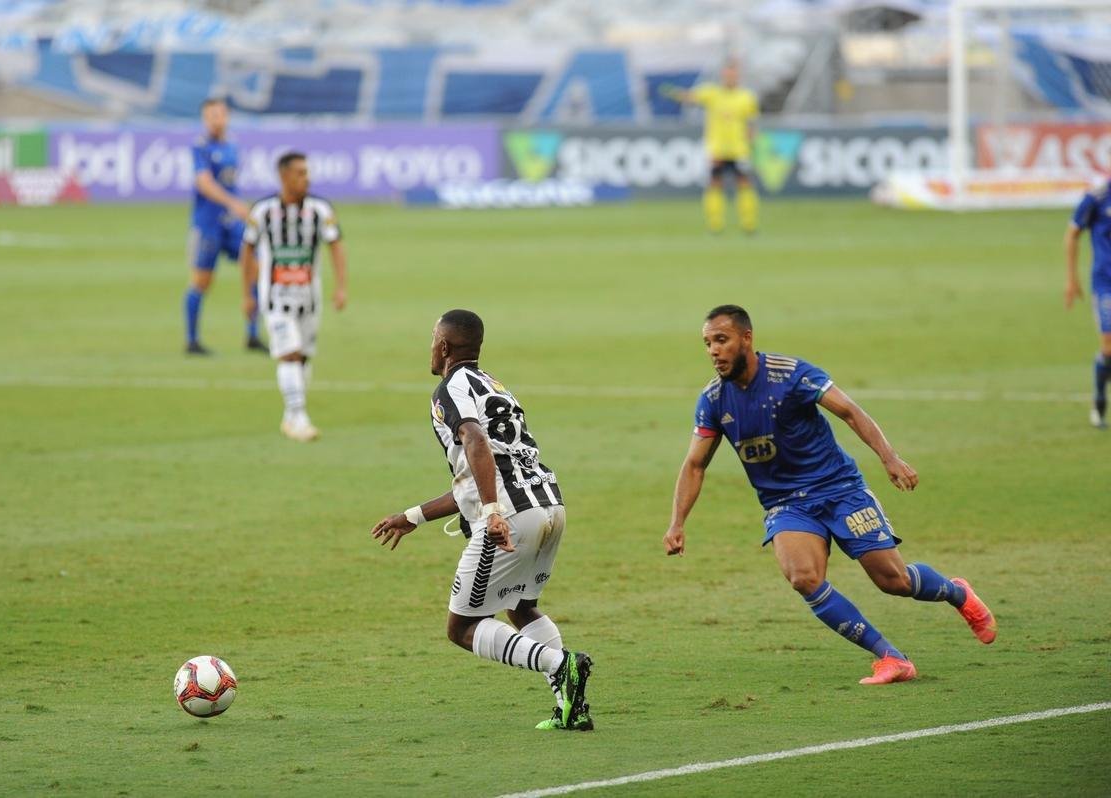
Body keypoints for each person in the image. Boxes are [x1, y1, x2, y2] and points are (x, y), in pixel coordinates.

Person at [662, 305, 997, 685]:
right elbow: (695, 465)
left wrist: (890, 459)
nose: (713, 351)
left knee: (893, 581)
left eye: (721, 340)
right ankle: (890, 657)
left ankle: (957, 593)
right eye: (707, 343)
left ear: (746, 338)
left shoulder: (791, 375)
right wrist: (677, 523)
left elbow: (850, 411)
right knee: (803, 577)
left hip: (839, 488)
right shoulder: (713, 400)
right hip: (786, 504)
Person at [370, 310, 594, 730]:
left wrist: (492, 513)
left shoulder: (448, 391)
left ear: (443, 346)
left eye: (433, 338)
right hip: (550, 507)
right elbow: (479, 473)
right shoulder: (495, 385)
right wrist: (414, 516)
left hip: (510, 517)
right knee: (522, 606)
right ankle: (571, 708)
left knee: (462, 627)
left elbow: (475, 443)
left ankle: (560, 664)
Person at [240, 152, 348, 442]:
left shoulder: (321, 210)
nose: (306, 178)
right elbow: (247, 251)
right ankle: (299, 415)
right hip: (275, 298)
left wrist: (341, 287)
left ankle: (290, 417)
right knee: (288, 353)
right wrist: (246, 294)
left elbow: (336, 245)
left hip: (310, 298)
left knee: (302, 356)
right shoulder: (262, 211)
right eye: (300, 173)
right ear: (284, 176)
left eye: (307, 172)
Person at [183, 97, 263, 355]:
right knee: (202, 282)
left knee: (255, 267)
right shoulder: (201, 148)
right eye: (211, 116)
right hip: (207, 224)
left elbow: (230, 183)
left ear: (227, 116)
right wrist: (234, 203)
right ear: (205, 120)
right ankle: (192, 340)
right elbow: (204, 184)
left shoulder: (232, 146)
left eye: (220, 115)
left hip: (232, 223)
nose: (216, 120)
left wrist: (239, 208)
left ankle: (252, 334)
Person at [661, 61, 760, 234]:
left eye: (734, 74)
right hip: (718, 149)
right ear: (723, 75)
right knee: (715, 185)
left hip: (739, 149)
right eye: (728, 74)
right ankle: (715, 225)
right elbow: (689, 97)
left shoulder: (746, 97)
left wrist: (752, 141)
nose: (731, 77)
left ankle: (749, 224)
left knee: (744, 185)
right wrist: (672, 92)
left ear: (738, 76)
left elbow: (751, 123)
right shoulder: (712, 93)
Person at [1063, 176, 1111, 429]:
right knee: (1109, 346)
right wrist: (1072, 279)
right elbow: (1072, 235)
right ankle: (1100, 401)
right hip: (1106, 282)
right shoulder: (1097, 197)